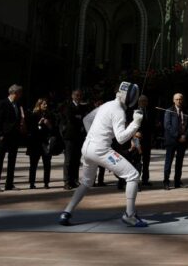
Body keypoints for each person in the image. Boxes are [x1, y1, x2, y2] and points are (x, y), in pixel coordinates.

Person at [59, 82, 145, 227]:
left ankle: (66, 212)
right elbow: (121, 138)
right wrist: (136, 123)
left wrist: (93, 137)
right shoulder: (118, 111)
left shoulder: (105, 105)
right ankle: (129, 215)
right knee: (133, 176)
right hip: (101, 150)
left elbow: (87, 119)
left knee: (86, 182)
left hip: (87, 148)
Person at [0, 84, 26, 192]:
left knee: (12, 160)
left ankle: (9, 184)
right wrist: (0, 134)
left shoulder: (17, 104)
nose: (21, 95)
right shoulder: (3, 103)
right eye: (20, 93)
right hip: (4, 136)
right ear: (14, 93)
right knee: (0, 160)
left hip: (14, 136)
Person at [60, 89, 89, 190]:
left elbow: (84, 118)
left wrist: (79, 118)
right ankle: (67, 181)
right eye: (77, 95)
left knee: (76, 159)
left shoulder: (82, 107)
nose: (78, 97)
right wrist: (79, 118)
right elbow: (71, 119)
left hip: (79, 136)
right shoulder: (68, 106)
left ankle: (75, 180)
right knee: (68, 160)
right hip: (70, 136)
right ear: (72, 96)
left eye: (80, 95)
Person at [163, 93, 188, 189]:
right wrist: (178, 136)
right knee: (169, 162)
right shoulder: (169, 111)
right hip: (172, 140)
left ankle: (177, 181)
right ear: (173, 100)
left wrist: (185, 135)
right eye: (177, 99)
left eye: (180, 99)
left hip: (183, 141)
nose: (179, 101)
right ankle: (166, 182)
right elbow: (167, 126)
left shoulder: (187, 111)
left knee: (179, 162)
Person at [27, 98, 56, 189]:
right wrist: (39, 124)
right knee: (33, 164)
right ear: (39, 105)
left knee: (47, 164)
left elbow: (54, 130)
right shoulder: (33, 115)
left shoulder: (50, 115)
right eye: (44, 104)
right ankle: (32, 183)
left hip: (46, 143)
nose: (46, 105)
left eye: (46, 104)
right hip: (35, 143)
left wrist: (49, 125)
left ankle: (46, 183)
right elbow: (31, 130)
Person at [135, 95, 154, 186]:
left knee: (146, 161)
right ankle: (136, 180)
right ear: (139, 102)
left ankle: (145, 180)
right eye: (142, 101)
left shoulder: (150, 112)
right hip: (138, 139)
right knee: (137, 161)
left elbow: (152, 126)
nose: (144, 103)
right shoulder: (135, 111)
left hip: (147, 140)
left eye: (145, 101)